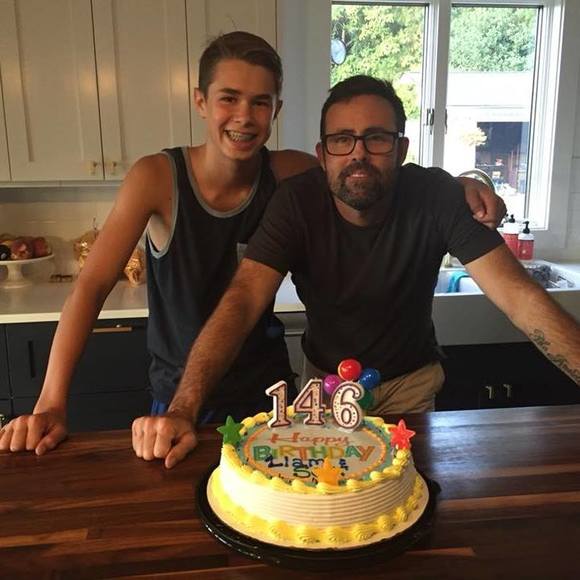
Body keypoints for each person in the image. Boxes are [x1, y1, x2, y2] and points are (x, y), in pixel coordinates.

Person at [0, 35, 503, 461]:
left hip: (267, 393)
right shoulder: (157, 177)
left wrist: (458, 184)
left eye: (261, 102)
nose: (244, 116)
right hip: (179, 395)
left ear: (276, 110)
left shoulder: (290, 172)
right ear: (200, 101)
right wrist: (51, 403)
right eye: (229, 98)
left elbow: (368, 173)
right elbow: (91, 286)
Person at [131, 74, 580, 469]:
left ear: (401, 149)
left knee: (408, 500)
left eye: (377, 138)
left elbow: (519, 296)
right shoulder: (296, 203)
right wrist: (182, 408)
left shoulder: (437, 197)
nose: (358, 154)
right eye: (342, 139)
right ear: (322, 154)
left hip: (411, 389)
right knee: (327, 505)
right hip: (323, 391)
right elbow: (245, 297)